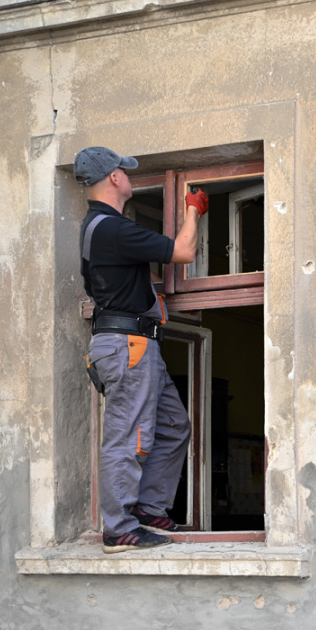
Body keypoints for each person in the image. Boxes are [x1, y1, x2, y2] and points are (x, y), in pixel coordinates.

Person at [76, 146, 209, 553]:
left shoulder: (102, 229)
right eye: (125, 171)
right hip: (127, 345)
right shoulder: (110, 227)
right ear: (114, 178)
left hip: (135, 344)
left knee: (172, 426)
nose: (130, 176)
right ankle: (118, 529)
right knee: (128, 438)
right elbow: (183, 252)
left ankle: (149, 508)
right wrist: (193, 210)